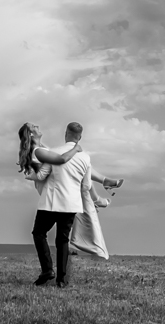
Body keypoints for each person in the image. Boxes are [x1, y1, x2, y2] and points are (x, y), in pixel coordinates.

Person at [29, 121, 121, 287]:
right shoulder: (85, 157)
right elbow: (86, 186)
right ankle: (62, 280)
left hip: (50, 201)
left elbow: (43, 174)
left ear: (66, 133)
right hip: (71, 204)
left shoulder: (53, 152)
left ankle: (47, 269)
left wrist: (31, 174)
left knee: (39, 233)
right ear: (80, 137)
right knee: (62, 240)